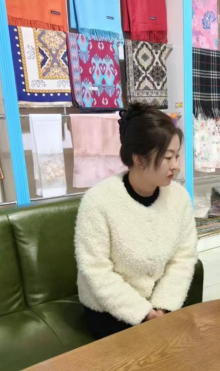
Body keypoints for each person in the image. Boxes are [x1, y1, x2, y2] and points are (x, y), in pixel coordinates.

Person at [75, 103, 198, 340]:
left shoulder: (179, 198)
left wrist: (163, 306)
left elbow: (183, 258)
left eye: (177, 156)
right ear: (140, 159)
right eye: (168, 157)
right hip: (110, 312)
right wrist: (144, 313)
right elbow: (96, 270)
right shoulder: (98, 201)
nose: (176, 166)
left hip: (162, 306)